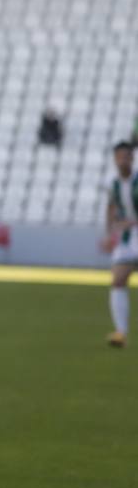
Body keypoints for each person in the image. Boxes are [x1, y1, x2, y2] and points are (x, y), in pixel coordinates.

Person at [102, 140, 138, 348]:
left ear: (133, 158)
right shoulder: (112, 183)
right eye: (120, 156)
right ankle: (120, 333)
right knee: (117, 279)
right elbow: (111, 207)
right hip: (126, 238)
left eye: (127, 156)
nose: (123, 160)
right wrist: (108, 234)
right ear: (115, 159)